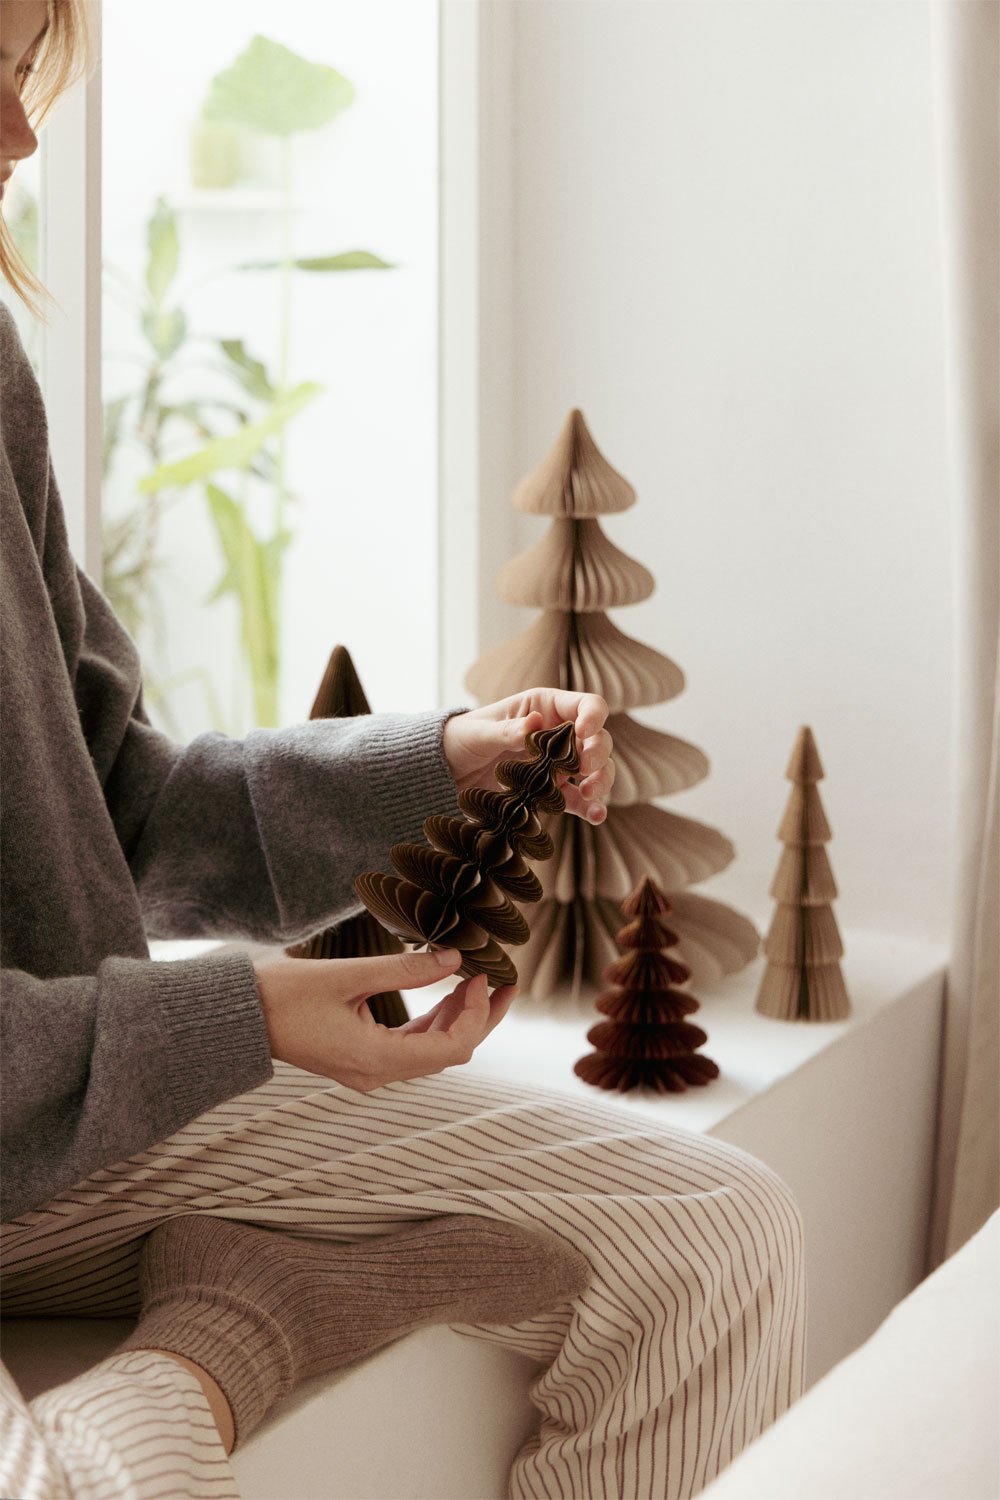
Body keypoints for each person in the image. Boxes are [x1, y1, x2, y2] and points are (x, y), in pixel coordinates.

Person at [0, 5, 805, 1498]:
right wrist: (241, 1019)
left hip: (51, 1136)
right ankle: (239, 1329)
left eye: (20, 74)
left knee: (710, 1238)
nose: (21, 135)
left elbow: (120, 811)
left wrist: (441, 762)